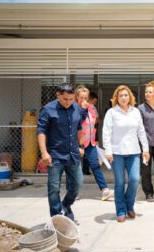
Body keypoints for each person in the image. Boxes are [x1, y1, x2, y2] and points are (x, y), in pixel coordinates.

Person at [37, 83, 87, 221]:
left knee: (78, 184)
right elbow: (41, 131)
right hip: (55, 155)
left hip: (73, 154)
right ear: (58, 95)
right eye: (65, 99)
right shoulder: (48, 109)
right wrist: (44, 153)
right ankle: (57, 218)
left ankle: (66, 204)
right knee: (53, 188)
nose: (68, 102)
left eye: (71, 99)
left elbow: (78, 127)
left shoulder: (76, 108)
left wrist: (81, 145)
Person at [103, 85, 150, 223]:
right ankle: (121, 210)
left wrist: (145, 149)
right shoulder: (112, 113)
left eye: (126, 95)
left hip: (134, 152)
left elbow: (141, 131)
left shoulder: (135, 112)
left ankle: (129, 205)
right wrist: (108, 150)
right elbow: (106, 132)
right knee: (120, 182)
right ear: (116, 98)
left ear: (130, 97)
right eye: (121, 95)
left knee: (135, 179)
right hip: (117, 153)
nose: (123, 98)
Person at [75, 85, 113, 201]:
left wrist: (94, 140)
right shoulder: (74, 109)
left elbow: (94, 123)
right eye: (81, 97)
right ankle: (73, 192)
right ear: (76, 97)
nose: (84, 100)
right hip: (77, 143)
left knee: (96, 166)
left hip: (90, 142)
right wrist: (82, 110)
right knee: (75, 168)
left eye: (86, 98)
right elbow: (77, 125)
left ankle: (104, 190)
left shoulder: (91, 108)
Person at [82, 92, 100, 175]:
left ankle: (85, 170)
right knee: (89, 154)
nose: (95, 103)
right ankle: (86, 170)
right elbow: (96, 119)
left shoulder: (80, 107)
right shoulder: (92, 107)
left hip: (83, 135)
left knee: (84, 153)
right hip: (89, 135)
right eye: (95, 101)